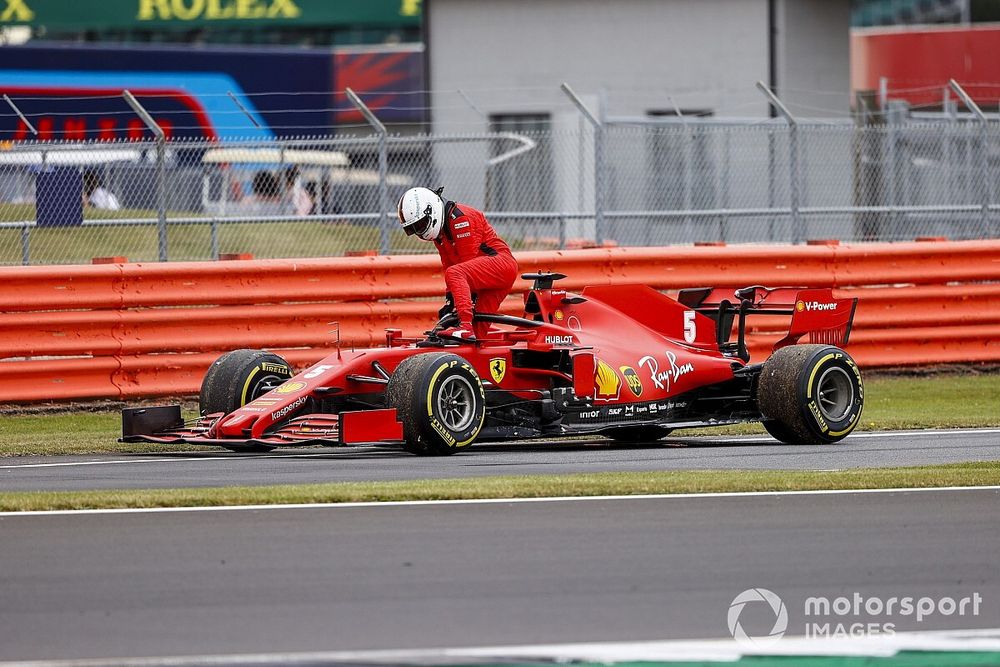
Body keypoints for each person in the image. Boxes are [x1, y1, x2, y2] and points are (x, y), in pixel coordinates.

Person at [396, 186, 518, 342]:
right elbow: (448, 263)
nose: (419, 231)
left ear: (431, 210)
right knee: (476, 336)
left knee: (456, 274)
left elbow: (465, 265)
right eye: (414, 228)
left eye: (420, 225)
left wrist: (461, 312)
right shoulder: (440, 233)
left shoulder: (461, 218)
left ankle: (465, 326)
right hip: (492, 271)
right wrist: (450, 301)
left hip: (501, 264)